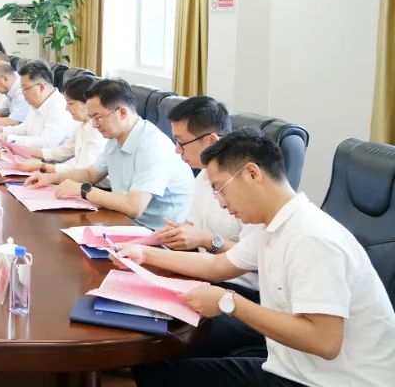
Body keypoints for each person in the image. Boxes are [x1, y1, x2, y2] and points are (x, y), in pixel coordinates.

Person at [124, 130, 395, 387]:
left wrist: (229, 302)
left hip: (331, 380)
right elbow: (216, 266)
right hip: (292, 366)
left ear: (252, 173)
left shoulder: (312, 238)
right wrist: (145, 254)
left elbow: (325, 342)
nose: (221, 203)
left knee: (162, 376)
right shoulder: (272, 227)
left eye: (220, 189)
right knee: (153, 364)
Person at [155, 96, 265, 359]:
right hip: (208, 275)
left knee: (166, 335)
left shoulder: (247, 187)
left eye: (181, 143)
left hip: (246, 292)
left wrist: (206, 240)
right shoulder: (204, 175)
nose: (177, 151)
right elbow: (196, 228)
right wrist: (179, 234)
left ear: (211, 141)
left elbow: (258, 261)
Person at [25, 78, 193, 230]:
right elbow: (91, 174)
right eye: (92, 118)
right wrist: (51, 178)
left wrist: (83, 190)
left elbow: (134, 206)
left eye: (98, 117)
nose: (95, 124)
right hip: (124, 221)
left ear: (122, 113)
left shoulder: (153, 145)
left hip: (157, 234)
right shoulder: (115, 137)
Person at [13, 75, 106, 174]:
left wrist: (42, 166)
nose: (66, 108)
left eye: (70, 103)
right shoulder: (82, 126)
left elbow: (83, 169)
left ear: (88, 103)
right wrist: (23, 149)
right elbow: (62, 152)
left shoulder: (98, 131)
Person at [0, 60, 73, 150]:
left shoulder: (60, 107)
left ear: (41, 87)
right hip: (32, 155)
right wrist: (3, 130)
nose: (23, 93)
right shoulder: (37, 103)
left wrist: (9, 138)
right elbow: (26, 127)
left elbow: (46, 143)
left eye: (25, 88)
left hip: (48, 158)